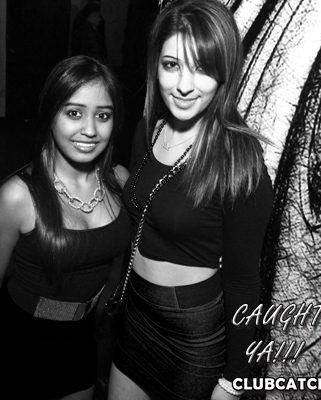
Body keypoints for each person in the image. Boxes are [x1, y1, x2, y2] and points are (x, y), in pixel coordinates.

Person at [107, 1, 273, 399]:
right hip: (135, 314)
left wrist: (234, 380)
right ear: (156, 65)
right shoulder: (149, 128)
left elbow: (243, 280)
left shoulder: (239, 160)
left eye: (201, 68)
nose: (183, 85)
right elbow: (147, 207)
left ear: (224, 73)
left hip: (191, 335)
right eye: (171, 65)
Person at [0, 55, 130, 400]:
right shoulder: (18, 197)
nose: (90, 129)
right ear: (50, 115)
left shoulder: (118, 181)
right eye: (74, 113)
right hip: (23, 340)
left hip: (82, 340)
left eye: (103, 115)